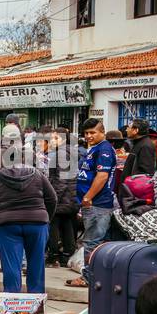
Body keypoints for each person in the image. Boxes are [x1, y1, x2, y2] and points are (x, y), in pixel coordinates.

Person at [0, 137, 56, 294]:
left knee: (11, 267)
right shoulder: (38, 175)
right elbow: (52, 198)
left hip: (7, 224)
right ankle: (36, 307)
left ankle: (13, 307)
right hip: (37, 223)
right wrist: (45, 217)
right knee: (37, 265)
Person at [66, 117, 116, 289]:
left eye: (93, 132)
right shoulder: (94, 149)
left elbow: (102, 176)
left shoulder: (104, 149)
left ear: (102, 132)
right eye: (86, 133)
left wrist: (88, 197)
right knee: (94, 242)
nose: (88, 136)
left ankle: (87, 278)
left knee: (92, 243)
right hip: (91, 204)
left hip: (97, 204)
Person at [45, 127, 79, 267]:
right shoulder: (68, 151)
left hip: (63, 197)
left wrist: (53, 198)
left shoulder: (61, 154)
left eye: (55, 138)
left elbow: (61, 180)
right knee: (66, 225)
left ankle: (53, 256)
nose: (52, 141)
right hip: (69, 197)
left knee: (53, 226)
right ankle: (67, 255)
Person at [118, 117, 157, 196]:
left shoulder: (145, 146)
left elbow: (146, 173)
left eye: (129, 127)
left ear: (136, 130)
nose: (126, 130)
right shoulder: (138, 143)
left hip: (135, 191)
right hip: (129, 188)